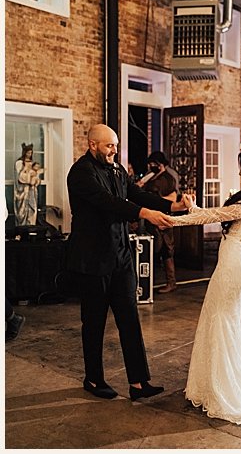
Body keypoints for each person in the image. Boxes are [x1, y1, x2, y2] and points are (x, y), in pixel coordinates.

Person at [65, 124, 184, 400]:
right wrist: (146, 214)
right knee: (93, 322)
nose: (114, 151)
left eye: (116, 145)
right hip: (93, 260)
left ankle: (139, 383)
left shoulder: (118, 170)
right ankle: (93, 379)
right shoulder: (81, 173)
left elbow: (136, 193)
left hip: (121, 257)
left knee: (130, 319)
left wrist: (171, 207)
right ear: (92, 144)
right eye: (109, 146)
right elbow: (108, 203)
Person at [167, 144, 241, 424]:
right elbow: (222, 216)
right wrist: (194, 208)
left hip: (235, 261)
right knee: (221, 317)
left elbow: (216, 216)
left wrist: (172, 220)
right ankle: (214, 382)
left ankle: (225, 388)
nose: (239, 172)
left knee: (222, 319)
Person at [136, 151, 181, 293]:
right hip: (150, 218)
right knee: (152, 248)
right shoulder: (152, 178)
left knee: (166, 249)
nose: (151, 166)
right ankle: (146, 282)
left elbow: (173, 198)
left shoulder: (167, 178)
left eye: (153, 164)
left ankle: (171, 282)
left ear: (160, 164)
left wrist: (157, 201)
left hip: (162, 217)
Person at [14, 143, 40, 226]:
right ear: (24, 152)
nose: (30, 154)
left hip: (31, 190)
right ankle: (21, 229)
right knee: (22, 211)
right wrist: (29, 175)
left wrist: (35, 179)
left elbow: (37, 175)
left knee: (32, 210)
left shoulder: (33, 163)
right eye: (28, 152)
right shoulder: (19, 163)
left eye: (31, 153)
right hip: (23, 191)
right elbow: (19, 176)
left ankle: (31, 226)